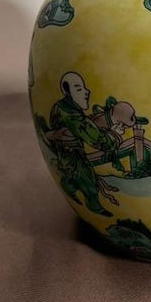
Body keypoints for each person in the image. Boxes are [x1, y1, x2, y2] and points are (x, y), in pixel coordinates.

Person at [49, 72, 121, 217]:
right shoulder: (73, 116)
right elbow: (97, 139)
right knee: (88, 181)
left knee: (71, 174)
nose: (86, 92)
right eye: (78, 89)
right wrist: (114, 135)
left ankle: (68, 185)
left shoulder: (59, 107)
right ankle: (95, 208)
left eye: (83, 87)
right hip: (75, 158)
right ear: (68, 93)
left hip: (65, 155)